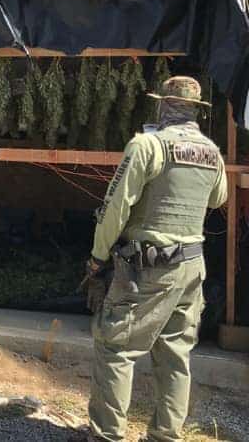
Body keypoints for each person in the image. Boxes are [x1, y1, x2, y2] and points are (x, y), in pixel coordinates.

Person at [83, 76, 228, 442]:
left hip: (147, 269)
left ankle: (106, 436)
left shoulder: (147, 145)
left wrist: (98, 258)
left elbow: (116, 208)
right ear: (196, 110)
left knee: (115, 348)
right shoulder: (212, 151)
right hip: (192, 268)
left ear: (162, 105)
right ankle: (165, 436)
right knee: (176, 355)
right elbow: (218, 199)